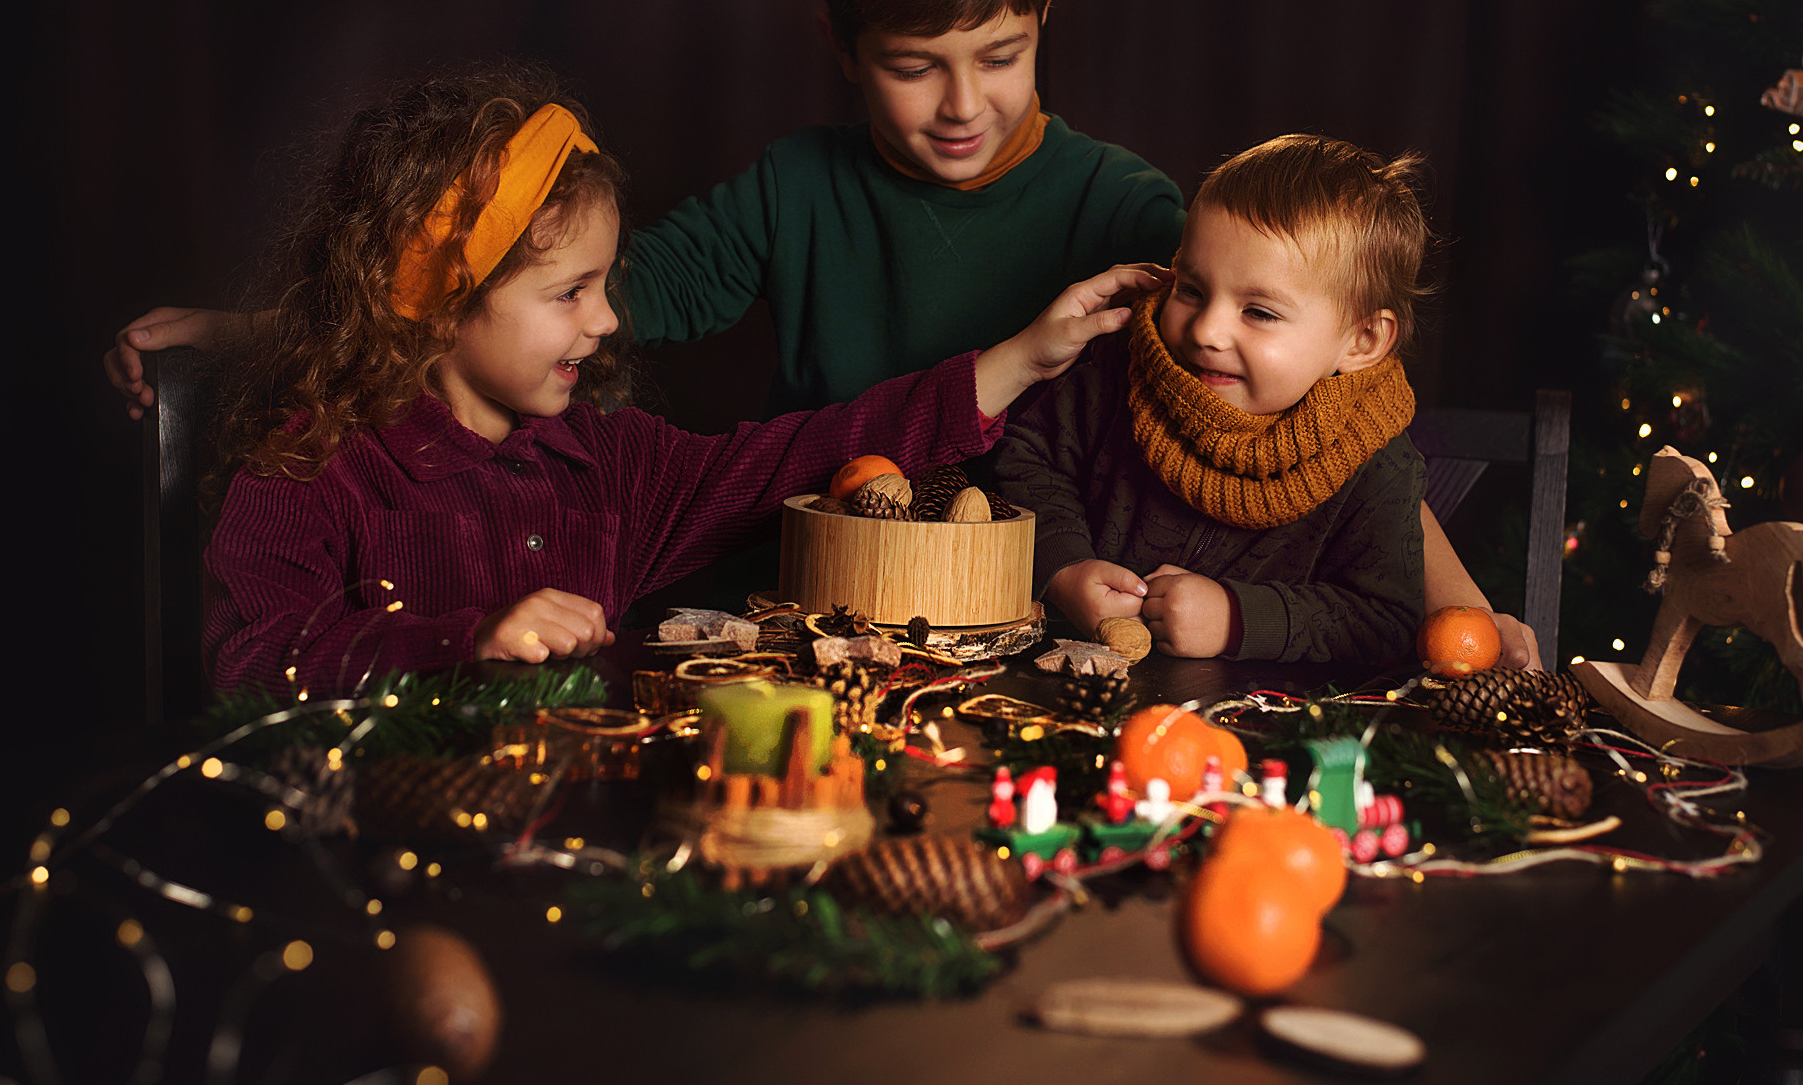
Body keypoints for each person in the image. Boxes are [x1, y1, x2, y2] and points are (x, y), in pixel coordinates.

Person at [107, 0, 1534, 658]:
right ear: (840, 45)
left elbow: (1303, 414)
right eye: (916, 65)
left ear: (1046, 16)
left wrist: (1458, 609)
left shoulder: (1131, 216)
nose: (961, 106)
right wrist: (265, 330)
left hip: (1031, 634)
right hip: (820, 612)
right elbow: (523, 301)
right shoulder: (793, 189)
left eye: (997, 54)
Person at [202, 65, 1157, 696]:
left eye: (605, 285)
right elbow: (245, 664)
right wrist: (466, 641)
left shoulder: (611, 465)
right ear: (444, 301)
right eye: (569, 291)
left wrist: (1021, 359)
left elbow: (807, 451)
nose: (608, 318)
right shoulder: (310, 466)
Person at [998, 134, 1535, 669]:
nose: (1207, 330)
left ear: (1361, 341)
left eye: (1259, 312)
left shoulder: (1376, 465)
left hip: (1259, 725)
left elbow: (1382, 620)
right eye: (1191, 289)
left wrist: (1236, 619)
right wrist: (1065, 568)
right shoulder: (1118, 379)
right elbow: (1024, 462)